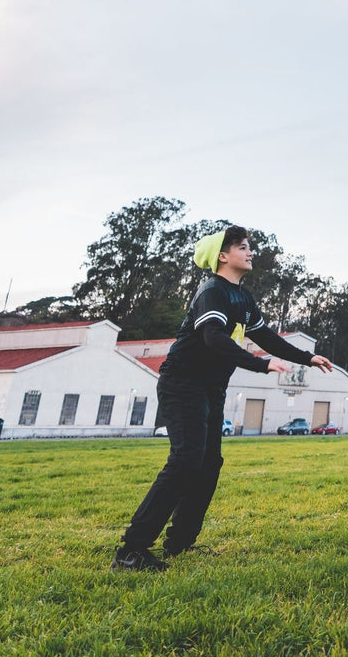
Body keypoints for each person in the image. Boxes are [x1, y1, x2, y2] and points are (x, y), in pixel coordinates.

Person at [112, 225, 334, 572]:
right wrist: (260, 365)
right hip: (182, 383)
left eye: (249, 247)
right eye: (242, 247)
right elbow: (214, 339)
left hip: (211, 389)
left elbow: (268, 338)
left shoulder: (242, 298)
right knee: (186, 460)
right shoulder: (211, 292)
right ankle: (131, 551)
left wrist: (306, 358)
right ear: (223, 255)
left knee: (208, 463)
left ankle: (180, 544)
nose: (250, 252)